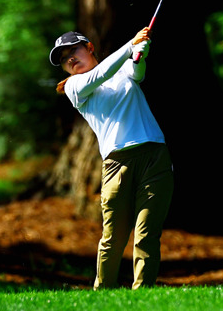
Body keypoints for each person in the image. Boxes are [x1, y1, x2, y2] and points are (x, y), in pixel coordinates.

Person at [50, 27, 174, 289]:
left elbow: (136, 72)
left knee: (147, 233)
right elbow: (100, 73)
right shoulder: (75, 87)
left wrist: (140, 53)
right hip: (117, 164)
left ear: (90, 47)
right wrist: (131, 43)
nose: (70, 58)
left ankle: (144, 295)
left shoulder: (121, 68)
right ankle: (103, 293)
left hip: (154, 155)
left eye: (73, 50)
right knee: (113, 237)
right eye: (63, 59)